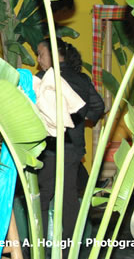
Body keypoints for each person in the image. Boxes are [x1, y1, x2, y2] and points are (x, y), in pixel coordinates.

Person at [35, 38, 104, 254]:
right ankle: (68, 251)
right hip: (73, 148)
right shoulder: (81, 79)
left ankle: (39, 249)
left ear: (55, 55)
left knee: (43, 197)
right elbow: (98, 107)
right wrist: (79, 119)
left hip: (48, 148)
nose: (38, 60)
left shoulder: (42, 79)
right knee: (69, 199)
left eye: (41, 54)